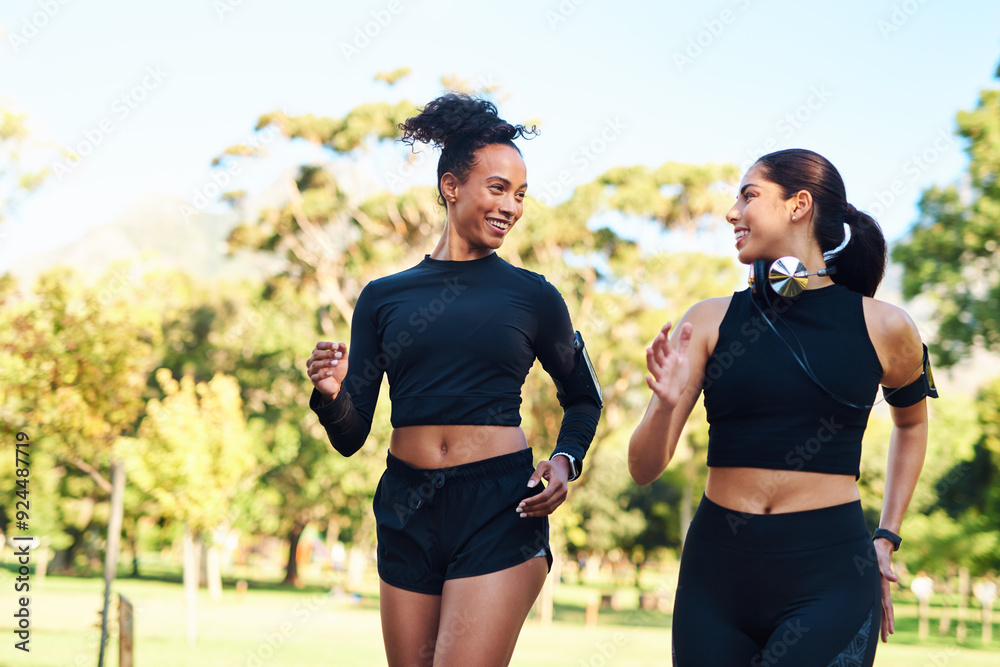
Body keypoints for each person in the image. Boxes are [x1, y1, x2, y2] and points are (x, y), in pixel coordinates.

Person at [306, 93, 602, 667]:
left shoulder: (534, 296)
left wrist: (566, 462)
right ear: (451, 186)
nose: (510, 207)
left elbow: (584, 399)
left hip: (499, 508)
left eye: (520, 195)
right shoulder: (383, 297)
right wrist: (329, 396)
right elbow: (350, 436)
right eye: (497, 188)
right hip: (406, 508)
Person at [629, 148, 935, 666]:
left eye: (748, 195)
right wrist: (662, 404)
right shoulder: (706, 321)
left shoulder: (887, 326)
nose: (732, 212)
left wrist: (886, 535)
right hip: (714, 578)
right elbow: (642, 468)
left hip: (829, 578)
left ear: (799, 205)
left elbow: (912, 423)